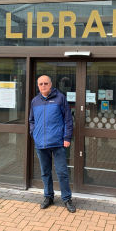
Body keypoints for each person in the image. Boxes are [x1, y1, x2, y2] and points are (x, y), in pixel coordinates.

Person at [29, 75, 76, 213]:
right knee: (45, 172)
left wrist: (67, 138)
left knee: (62, 172)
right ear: (38, 86)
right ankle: (48, 197)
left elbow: (68, 120)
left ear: (51, 84)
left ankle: (67, 198)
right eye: (40, 84)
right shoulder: (35, 101)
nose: (43, 86)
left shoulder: (60, 98)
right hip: (41, 143)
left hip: (58, 142)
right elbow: (31, 120)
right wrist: (34, 134)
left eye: (45, 83)